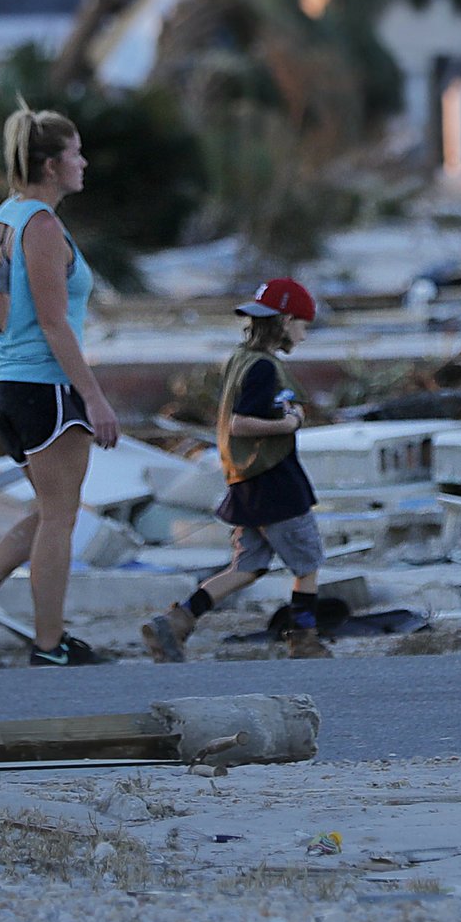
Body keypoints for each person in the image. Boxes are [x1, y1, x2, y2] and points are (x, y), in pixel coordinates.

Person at [0, 105, 119, 667]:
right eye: (75, 152)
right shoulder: (41, 225)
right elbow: (51, 321)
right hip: (43, 386)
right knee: (62, 516)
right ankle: (49, 645)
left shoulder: (7, 215)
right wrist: (94, 397)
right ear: (49, 164)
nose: (83, 162)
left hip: (6, 382)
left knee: (49, 508)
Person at [140, 277, 332, 663]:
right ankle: (304, 640)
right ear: (285, 321)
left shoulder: (240, 358)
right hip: (275, 481)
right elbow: (241, 423)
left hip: (246, 482)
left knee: (248, 566)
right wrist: (289, 424)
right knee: (307, 562)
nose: (304, 336)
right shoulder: (262, 367)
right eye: (303, 326)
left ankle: (176, 621)